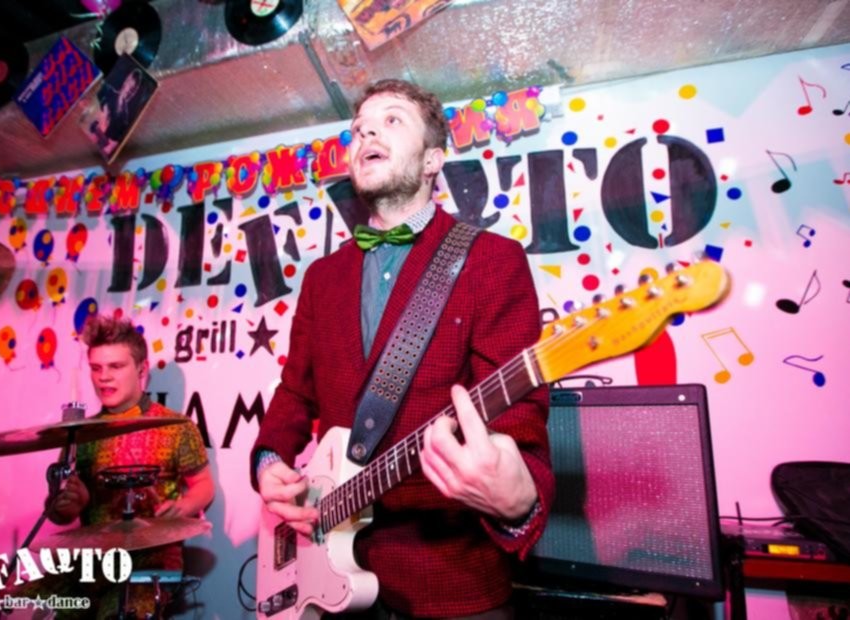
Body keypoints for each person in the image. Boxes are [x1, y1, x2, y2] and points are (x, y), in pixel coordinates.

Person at [251, 79, 554, 619]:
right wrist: (269, 459)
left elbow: (519, 421)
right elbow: (296, 391)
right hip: (331, 580)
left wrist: (518, 500)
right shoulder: (322, 277)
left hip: (452, 583)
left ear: (433, 159)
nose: (367, 132)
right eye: (359, 128)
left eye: (391, 120)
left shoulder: (492, 260)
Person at [44, 314, 215, 618]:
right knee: (23, 603)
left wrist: (184, 506)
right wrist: (69, 505)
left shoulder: (176, 426)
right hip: (93, 564)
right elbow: (58, 513)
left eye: (116, 366)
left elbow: (204, 485)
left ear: (142, 369)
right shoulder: (79, 434)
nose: (104, 377)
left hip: (151, 563)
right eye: (96, 368)